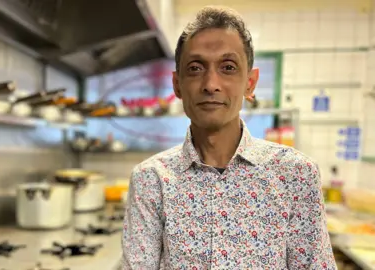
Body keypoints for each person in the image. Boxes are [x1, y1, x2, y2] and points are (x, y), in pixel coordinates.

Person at [121, 5, 337, 270]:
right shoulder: (151, 180)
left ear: (250, 82)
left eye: (228, 67)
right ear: (177, 84)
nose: (211, 83)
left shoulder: (294, 175)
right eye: (196, 68)